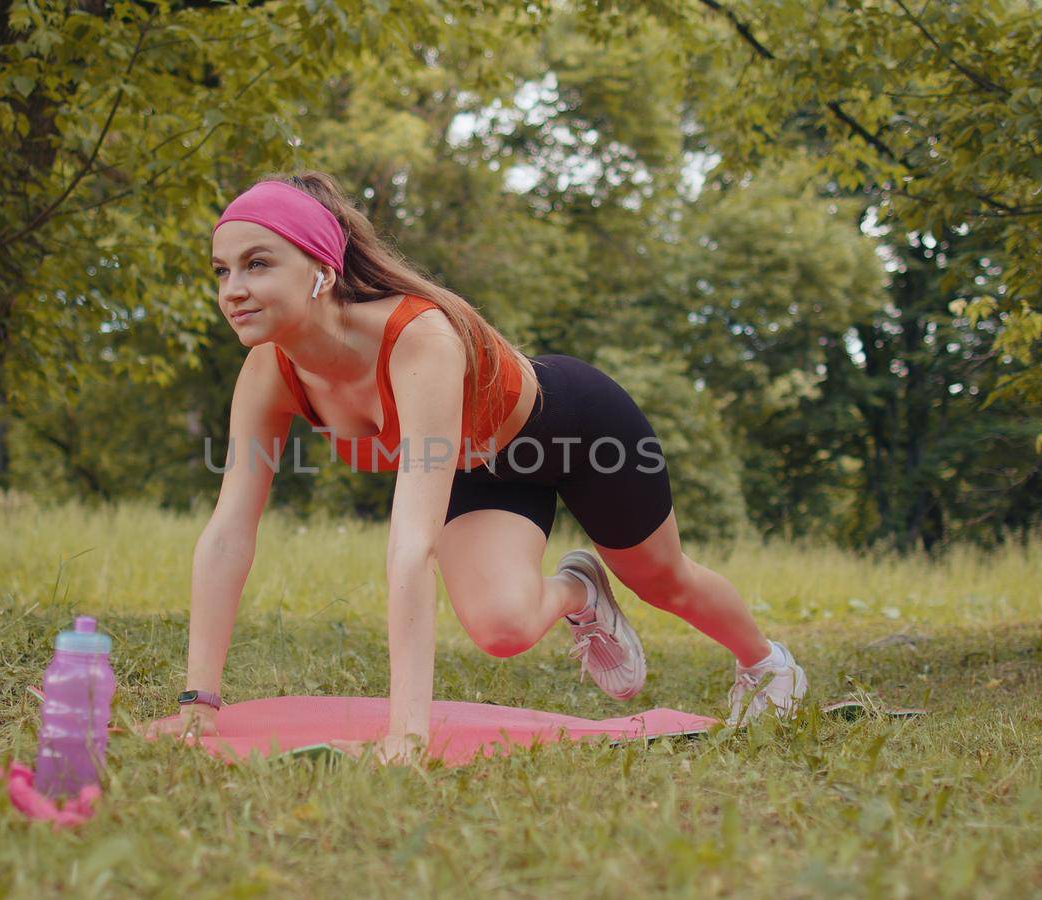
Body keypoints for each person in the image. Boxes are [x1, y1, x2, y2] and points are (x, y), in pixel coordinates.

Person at [152, 172, 805, 763]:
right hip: (479, 468)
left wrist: (407, 736)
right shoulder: (269, 371)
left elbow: (412, 544)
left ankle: (768, 665)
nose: (233, 290)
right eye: (222, 271)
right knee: (502, 629)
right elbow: (229, 531)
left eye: (257, 264)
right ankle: (578, 590)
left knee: (664, 582)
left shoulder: (419, 338)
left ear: (322, 268)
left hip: (574, 429)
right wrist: (197, 707)